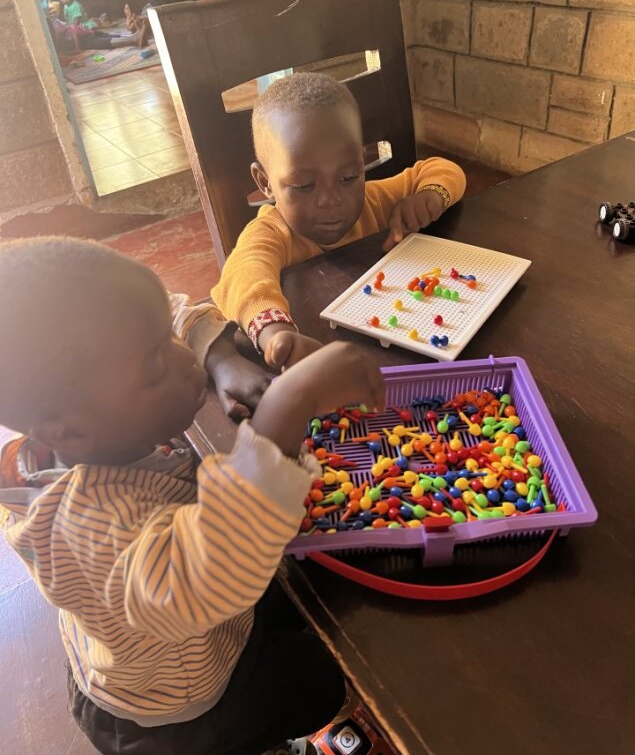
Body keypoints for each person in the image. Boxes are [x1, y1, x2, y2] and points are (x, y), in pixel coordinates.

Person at [0, 237, 385, 755]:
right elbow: (204, 574)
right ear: (68, 434)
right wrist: (289, 408)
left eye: (168, 341)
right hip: (180, 715)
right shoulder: (86, 528)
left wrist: (221, 356)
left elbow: (172, 308)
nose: (186, 365)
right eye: (156, 367)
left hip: (178, 644)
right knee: (315, 683)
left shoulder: (93, 419)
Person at [211, 72, 467, 372]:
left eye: (348, 177)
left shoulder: (376, 199)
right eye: (305, 185)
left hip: (397, 353)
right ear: (265, 182)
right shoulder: (270, 234)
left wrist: (430, 196)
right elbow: (243, 278)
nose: (331, 199)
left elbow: (442, 168)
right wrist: (275, 333)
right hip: (321, 366)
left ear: (361, 162)